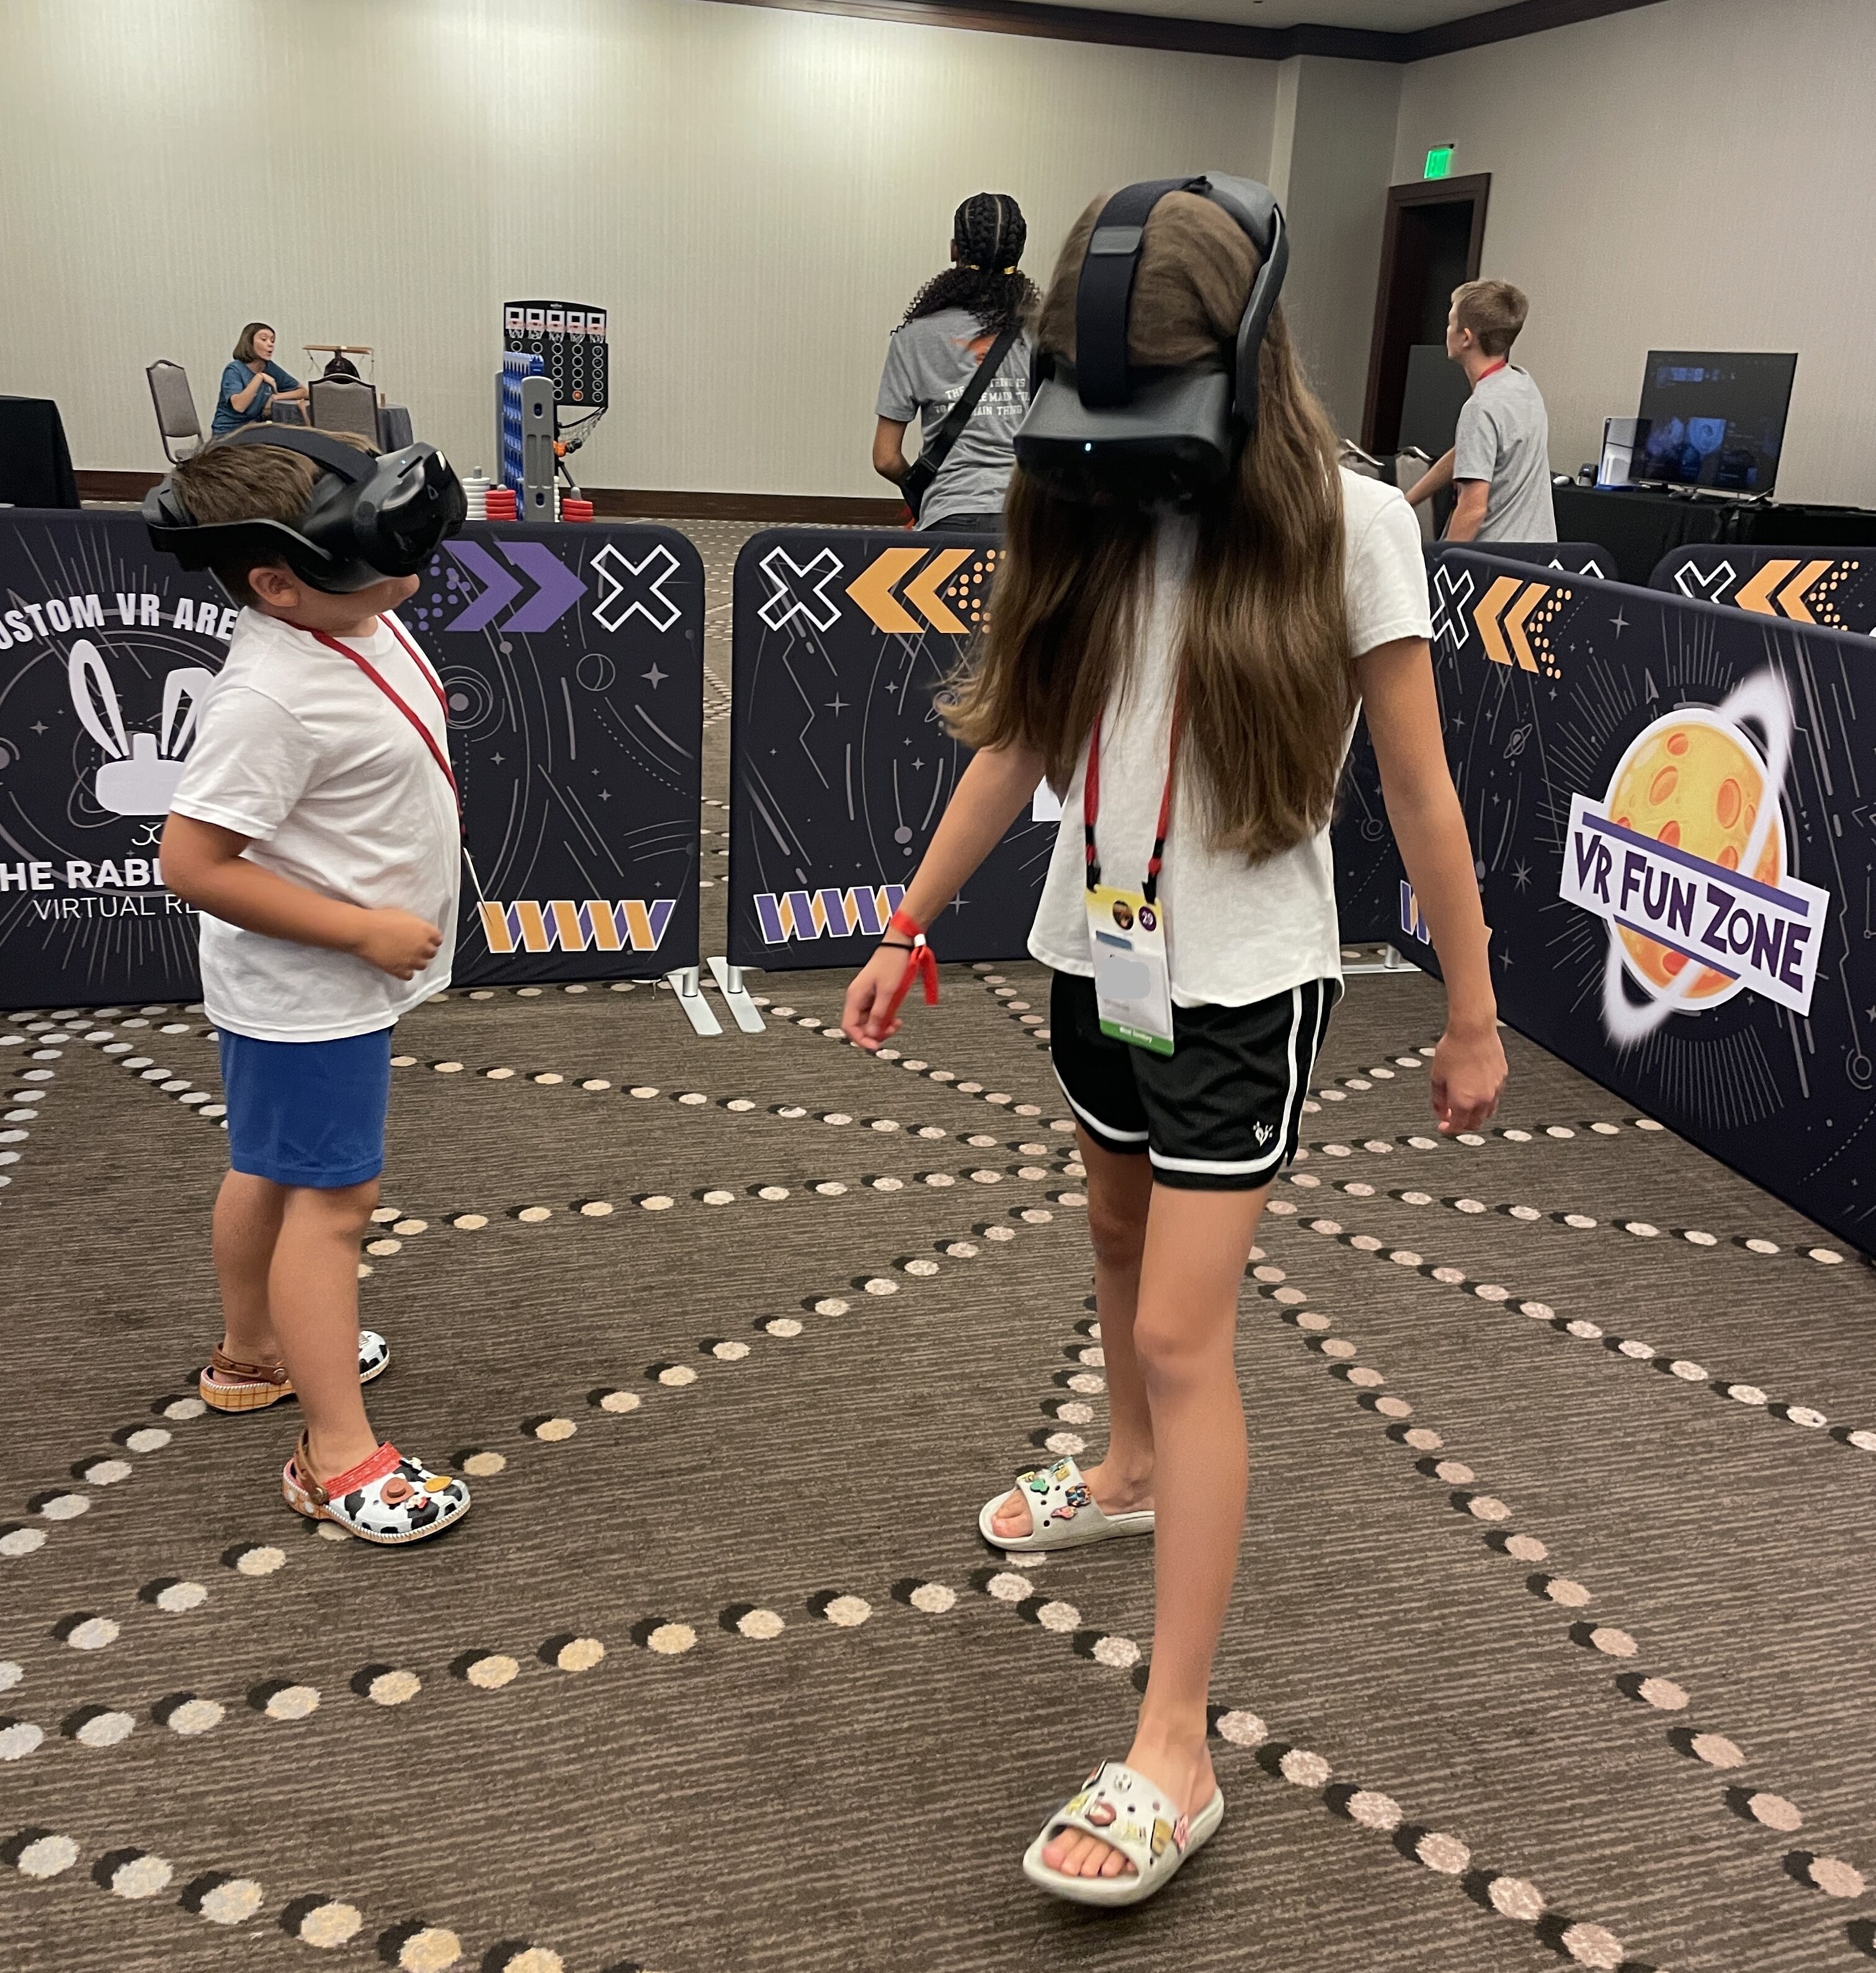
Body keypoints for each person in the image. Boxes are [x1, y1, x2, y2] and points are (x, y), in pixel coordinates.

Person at [842, 190, 1506, 1905]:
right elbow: (1020, 733)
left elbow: (1424, 785)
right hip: (1095, 949)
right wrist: (910, 920)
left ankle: (1176, 1741)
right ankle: (1125, 1468)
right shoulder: (1076, 478)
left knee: (1181, 1327)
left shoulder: (1356, 520)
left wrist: (1475, 1008)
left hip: (1242, 984)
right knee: (1116, 1238)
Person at [156, 436, 471, 1546]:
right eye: (375, 564)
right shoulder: (269, 699)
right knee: (333, 1207)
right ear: (274, 583)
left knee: (270, 1166)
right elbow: (189, 864)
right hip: (308, 991)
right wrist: (360, 928)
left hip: (329, 980)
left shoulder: (348, 620)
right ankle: (335, 1454)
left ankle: (255, 1355)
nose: (409, 578)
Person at [873, 193, 1038, 532]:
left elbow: (886, 458)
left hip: (948, 518)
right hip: (1027, 524)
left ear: (954, 251)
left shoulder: (914, 338)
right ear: (1018, 254)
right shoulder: (1046, 334)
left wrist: (925, 491)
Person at [1404, 279, 1555, 542]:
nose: (1447, 330)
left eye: (1451, 322)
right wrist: (1406, 502)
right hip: (1537, 559)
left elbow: (1473, 510)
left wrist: (1443, 568)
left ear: (1465, 338)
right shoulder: (1523, 384)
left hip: (1494, 566)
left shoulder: (1480, 408)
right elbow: (1468, 452)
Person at [212, 323, 308, 437]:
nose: (270, 344)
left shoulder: (269, 367)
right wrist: (259, 377)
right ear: (249, 343)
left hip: (255, 430)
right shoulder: (234, 370)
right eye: (264, 339)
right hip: (228, 433)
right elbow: (239, 406)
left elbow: (303, 392)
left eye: (272, 341)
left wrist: (275, 397)